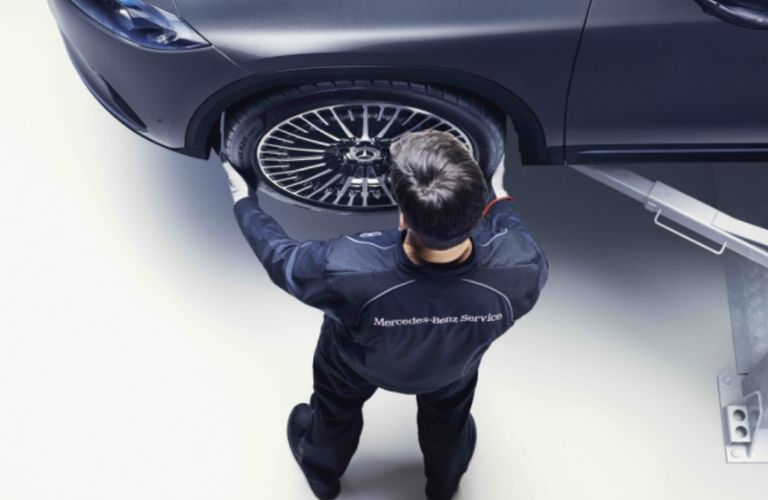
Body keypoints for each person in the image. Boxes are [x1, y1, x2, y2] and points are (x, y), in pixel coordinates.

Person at [221, 130, 549, 500]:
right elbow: (508, 223)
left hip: (354, 364)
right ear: (477, 215)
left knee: (335, 410)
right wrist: (499, 195)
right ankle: (443, 484)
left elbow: (278, 256)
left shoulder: (346, 268)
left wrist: (244, 202)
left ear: (404, 217)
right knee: (449, 421)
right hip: (449, 371)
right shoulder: (522, 269)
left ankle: (321, 475)